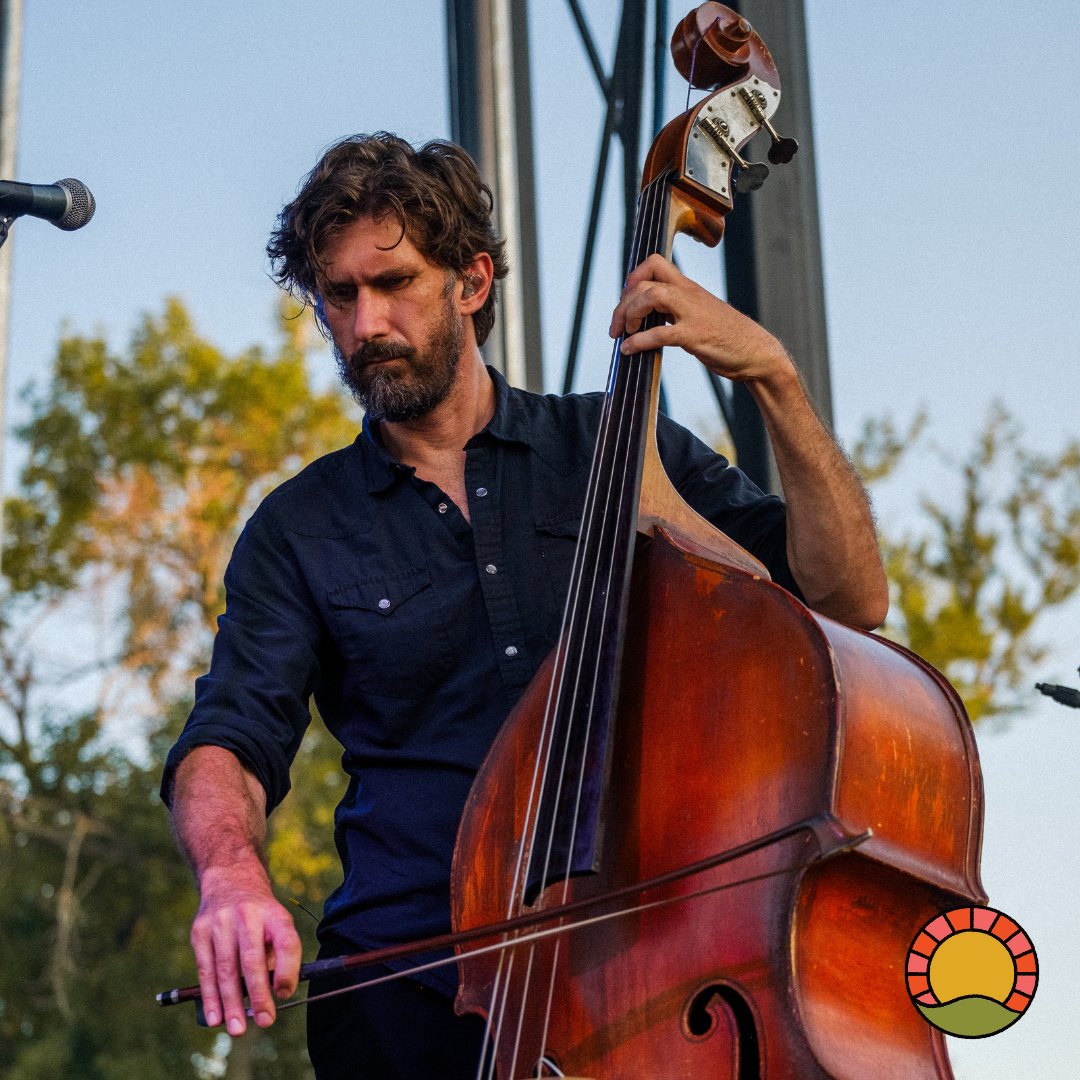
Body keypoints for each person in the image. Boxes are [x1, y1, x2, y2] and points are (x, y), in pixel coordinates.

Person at [162, 132, 888, 1079]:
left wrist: (773, 379)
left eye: (395, 285)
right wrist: (230, 872)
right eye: (339, 296)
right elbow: (229, 737)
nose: (365, 323)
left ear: (472, 281)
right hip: (409, 988)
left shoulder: (617, 446)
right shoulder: (301, 528)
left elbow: (846, 600)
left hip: (654, 972)